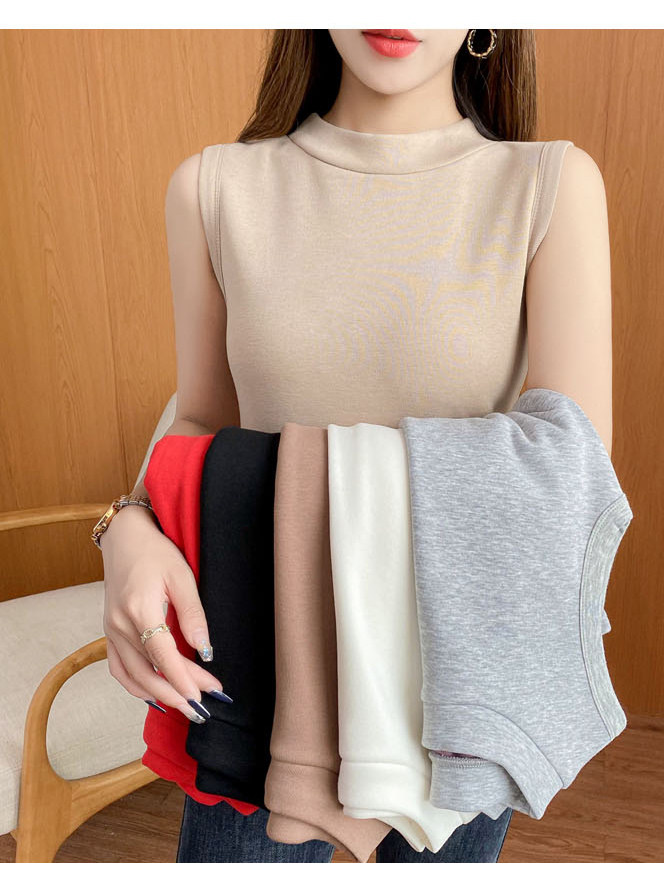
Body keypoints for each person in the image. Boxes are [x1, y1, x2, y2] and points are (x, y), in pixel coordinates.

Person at [98, 28, 614, 863]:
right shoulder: (213, 189)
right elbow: (200, 417)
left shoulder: (548, 185)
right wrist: (126, 524)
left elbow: (573, 467)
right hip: (254, 658)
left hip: (454, 681)